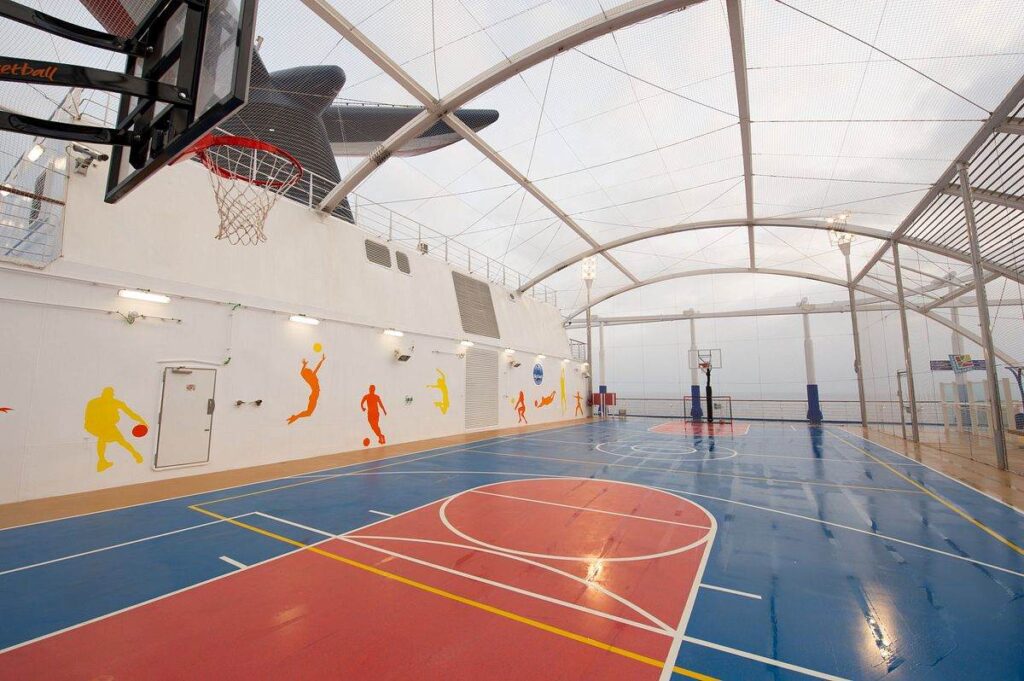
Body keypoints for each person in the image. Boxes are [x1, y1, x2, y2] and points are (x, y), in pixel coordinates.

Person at [84, 387, 147, 472]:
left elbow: (131, 413)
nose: (108, 396)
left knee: (121, 440)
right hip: (94, 425)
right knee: (103, 437)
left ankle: (135, 454)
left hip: (108, 425)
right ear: (103, 393)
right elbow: (89, 416)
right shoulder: (94, 402)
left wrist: (142, 421)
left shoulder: (116, 402)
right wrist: (99, 425)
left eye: (110, 394)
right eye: (106, 393)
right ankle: (102, 461)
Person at [287, 354, 325, 424]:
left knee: (308, 412)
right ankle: (295, 417)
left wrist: (304, 365)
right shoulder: (312, 376)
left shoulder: (308, 378)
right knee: (309, 413)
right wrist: (322, 360)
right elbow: (317, 367)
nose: (311, 370)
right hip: (314, 394)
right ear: (310, 373)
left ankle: (295, 417)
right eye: (310, 370)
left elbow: (301, 373)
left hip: (313, 395)